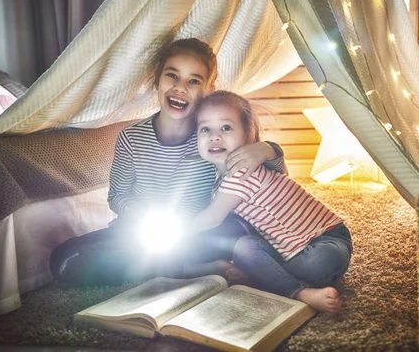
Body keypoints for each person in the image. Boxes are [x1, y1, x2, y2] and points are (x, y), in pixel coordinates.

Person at [50, 38, 286, 287]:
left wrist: (267, 149)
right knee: (64, 261)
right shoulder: (131, 138)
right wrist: (143, 218)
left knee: (241, 233)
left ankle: (177, 266)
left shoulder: (213, 138)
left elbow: (272, 179)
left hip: (198, 234)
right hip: (140, 235)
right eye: (172, 76)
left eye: (193, 81)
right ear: (157, 80)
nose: (180, 88)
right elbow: (117, 196)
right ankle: (192, 269)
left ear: (208, 89)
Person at [189, 90, 352, 313]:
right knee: (245, 248)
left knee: (312, 264)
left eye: (226, 127)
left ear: (248, 135)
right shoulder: (223, 178)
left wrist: (177, 230)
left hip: (325, 244)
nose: (214, 136)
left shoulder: (241, 173)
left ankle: (297, 291)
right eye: (205, 129)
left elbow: (212, 217)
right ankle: (271, 277)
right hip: (292, 250)